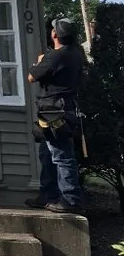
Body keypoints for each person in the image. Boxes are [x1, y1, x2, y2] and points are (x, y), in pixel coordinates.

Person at [26, 18, 86, 213]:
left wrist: (40, 61)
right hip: (61, 108)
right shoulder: (76, 54)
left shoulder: (56, 56)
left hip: (54, 111)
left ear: (54, 35)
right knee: (47, 154)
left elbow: (32, 76)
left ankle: (70, 199)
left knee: (61, 156)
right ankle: (48, 195)